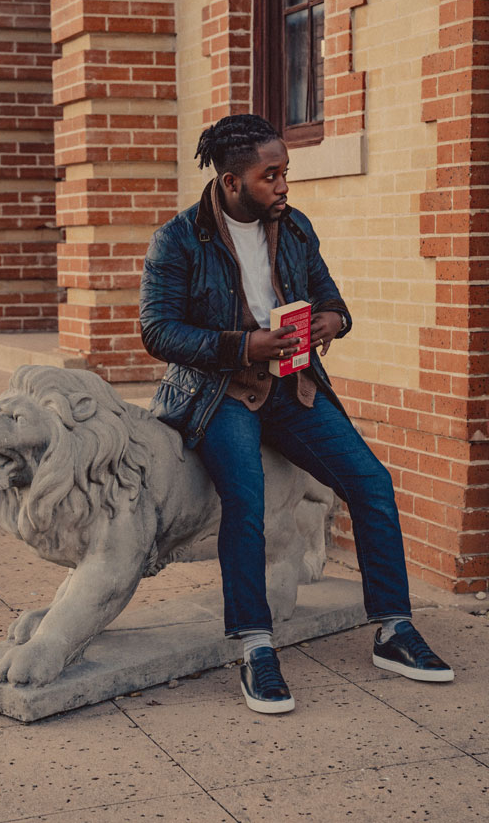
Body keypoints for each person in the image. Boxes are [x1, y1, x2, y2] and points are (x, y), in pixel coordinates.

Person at [139, 114, 453, 714]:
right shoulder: (179, 238)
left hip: (294, 387)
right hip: (221, 393)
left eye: (286, 173)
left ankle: (393, 630)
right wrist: (240, 346)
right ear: (232, 182)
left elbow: (329, 296)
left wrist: (337, 319)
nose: (284, 186)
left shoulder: (295, 227)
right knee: (247, 504)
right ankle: (255, 646)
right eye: (271, 175)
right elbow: (157, 330)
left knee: (372, 484)